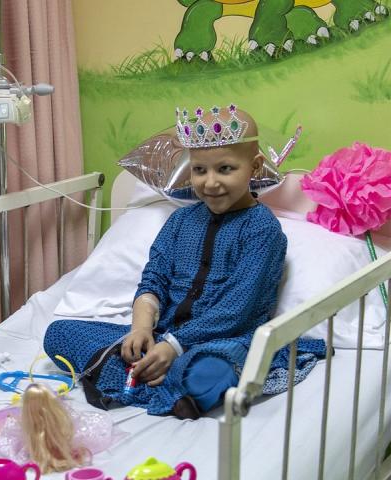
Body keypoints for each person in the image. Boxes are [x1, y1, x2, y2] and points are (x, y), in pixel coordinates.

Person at [43, 105, 324, 419]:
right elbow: (154, 280)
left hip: (223, 340)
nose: (210, 182)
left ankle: (136, 378)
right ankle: (158, 378)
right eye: (200, 170)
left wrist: (174, 347)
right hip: (162, 335)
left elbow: (237, 310)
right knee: (58, 333)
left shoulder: (263, 230)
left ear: (255, 167)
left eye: (226, 169)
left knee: (211, 373)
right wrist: (140, 330)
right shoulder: (180, 221)